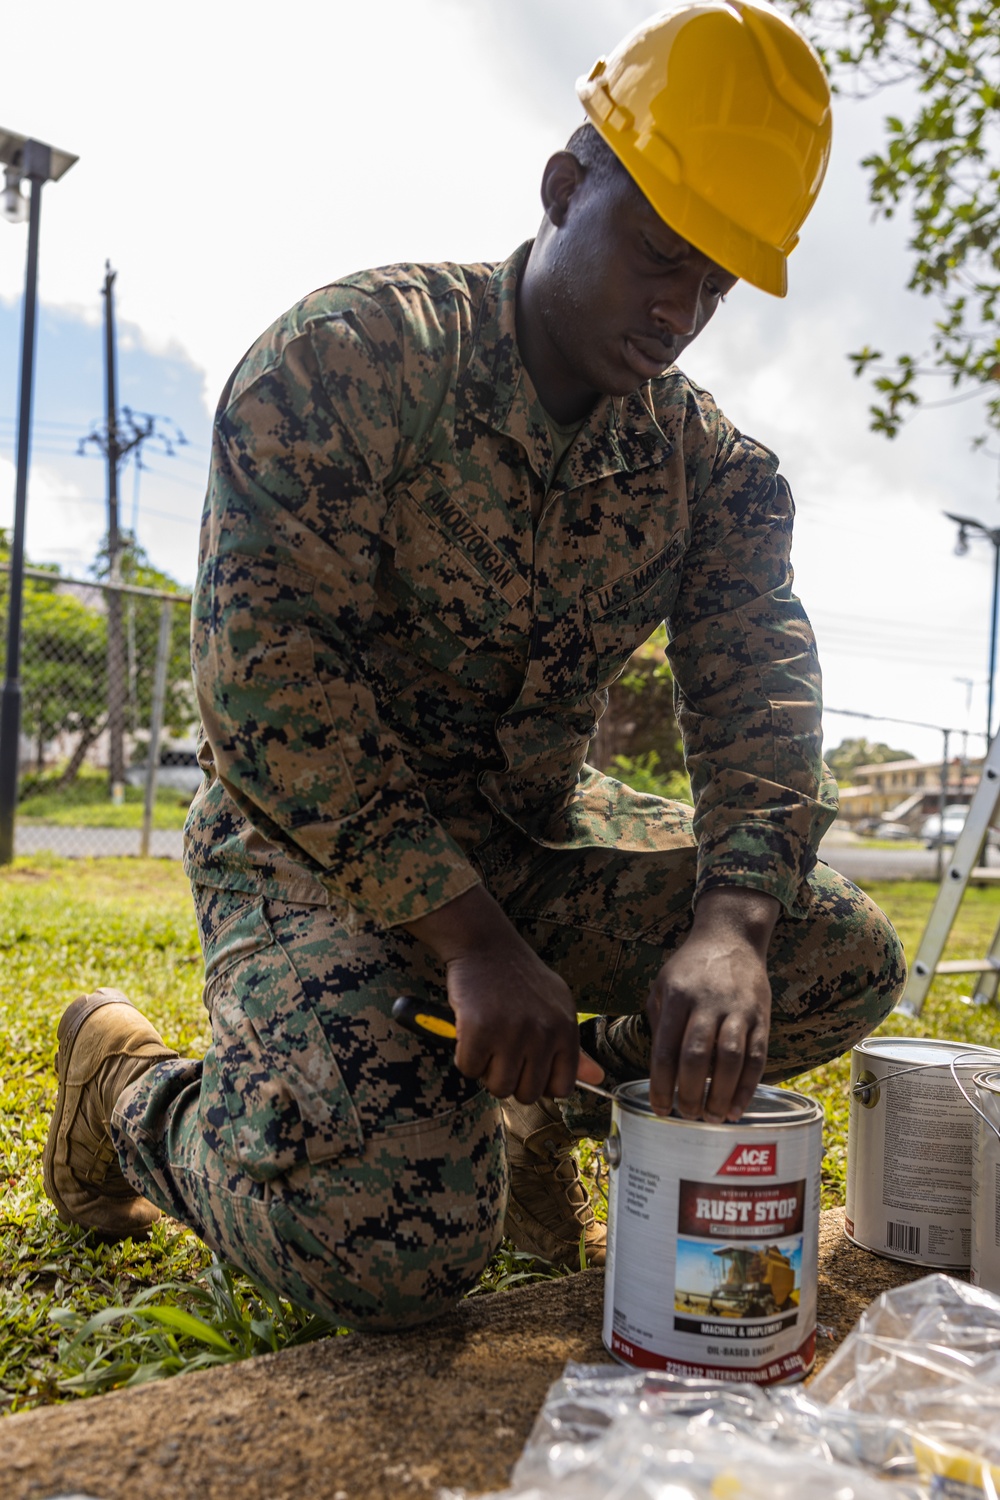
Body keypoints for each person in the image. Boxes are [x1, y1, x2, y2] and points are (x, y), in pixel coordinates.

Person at [43, 0, 905, 1329]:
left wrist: (730, 928)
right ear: (566, 190)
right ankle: (128, 1086)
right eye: (662, 255)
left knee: (830, 951)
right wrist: (473, 941)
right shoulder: (354, 360)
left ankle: (543, 1090)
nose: (681, 311)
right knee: (398, 1249)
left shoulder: (709, 470)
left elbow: (759, 697)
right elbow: (268, 685)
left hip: (526, 835)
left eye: (718, 284)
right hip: (311, 849)